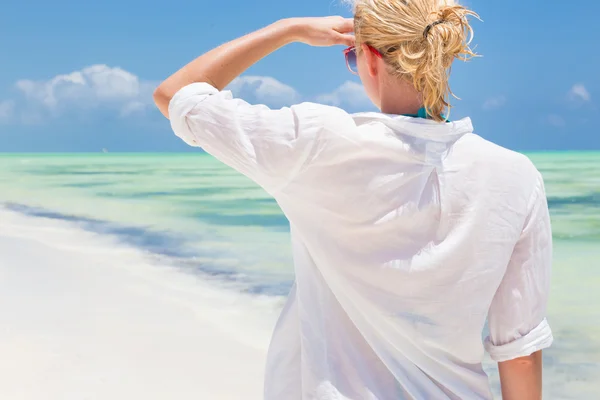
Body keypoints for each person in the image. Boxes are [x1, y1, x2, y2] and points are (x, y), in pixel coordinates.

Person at [153, 0, 553, 398]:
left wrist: (288, 28)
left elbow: (176, 94)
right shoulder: (516, 175)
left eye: (353, 56)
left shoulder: (318, 144)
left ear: (371, 60)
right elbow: (518, 352)